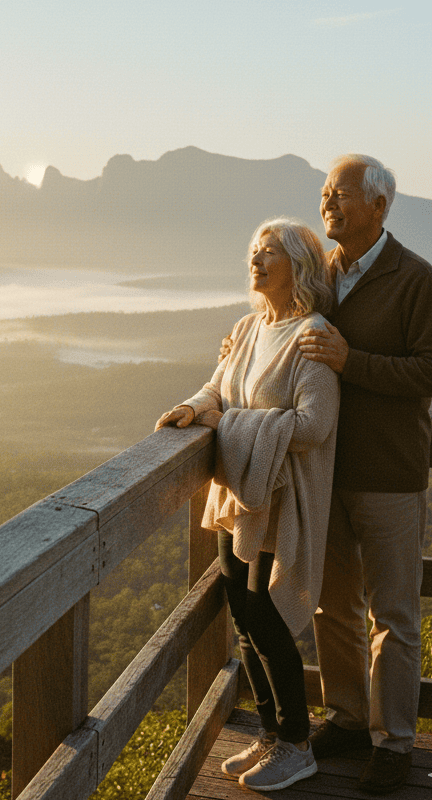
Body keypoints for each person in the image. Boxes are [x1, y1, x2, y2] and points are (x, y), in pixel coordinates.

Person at [156, 217, 340, 791]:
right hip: (238, 498)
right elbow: (216, 388)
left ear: (299, 268)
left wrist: (227, 423)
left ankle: (296, 744)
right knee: (243, 615)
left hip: (277, 503)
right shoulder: (249, 327)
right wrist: (191, 411)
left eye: (269, 255)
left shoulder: (310, 336)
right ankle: (269, 732)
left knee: (266, 619)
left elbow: (316, 424)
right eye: (253, 253)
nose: (255, 262)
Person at [297, 154, 432, 794]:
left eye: (341, 193)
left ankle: (395, 742)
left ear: (379, 206)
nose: (327, 202)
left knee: (394, 617)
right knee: (333, 608)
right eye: (325, 191)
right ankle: (348, 719)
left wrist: (353, 362)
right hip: (325, 473)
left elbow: (426, 373)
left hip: (390, 475)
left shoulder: (417, 280)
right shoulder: (318, 275)